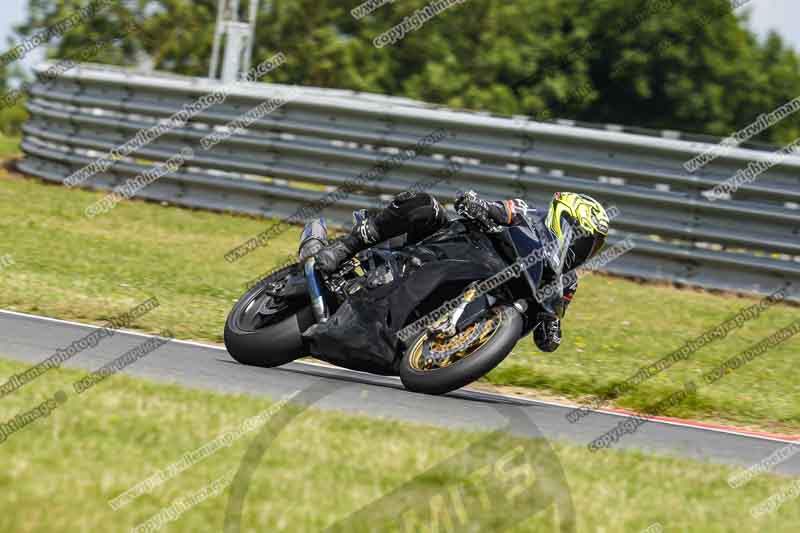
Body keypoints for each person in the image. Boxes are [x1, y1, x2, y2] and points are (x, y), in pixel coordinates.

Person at [313, 189, 609, 353]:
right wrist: (477, 205)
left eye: (593, 245)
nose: (586, 249)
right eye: (584, 238)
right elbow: (497, 208)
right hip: (445, 249)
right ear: (562, 219)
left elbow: (551, 332)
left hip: (480, 291)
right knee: (423, 205)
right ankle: (345, 247)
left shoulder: (565, 282)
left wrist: (551, 327)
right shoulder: (527, 214)